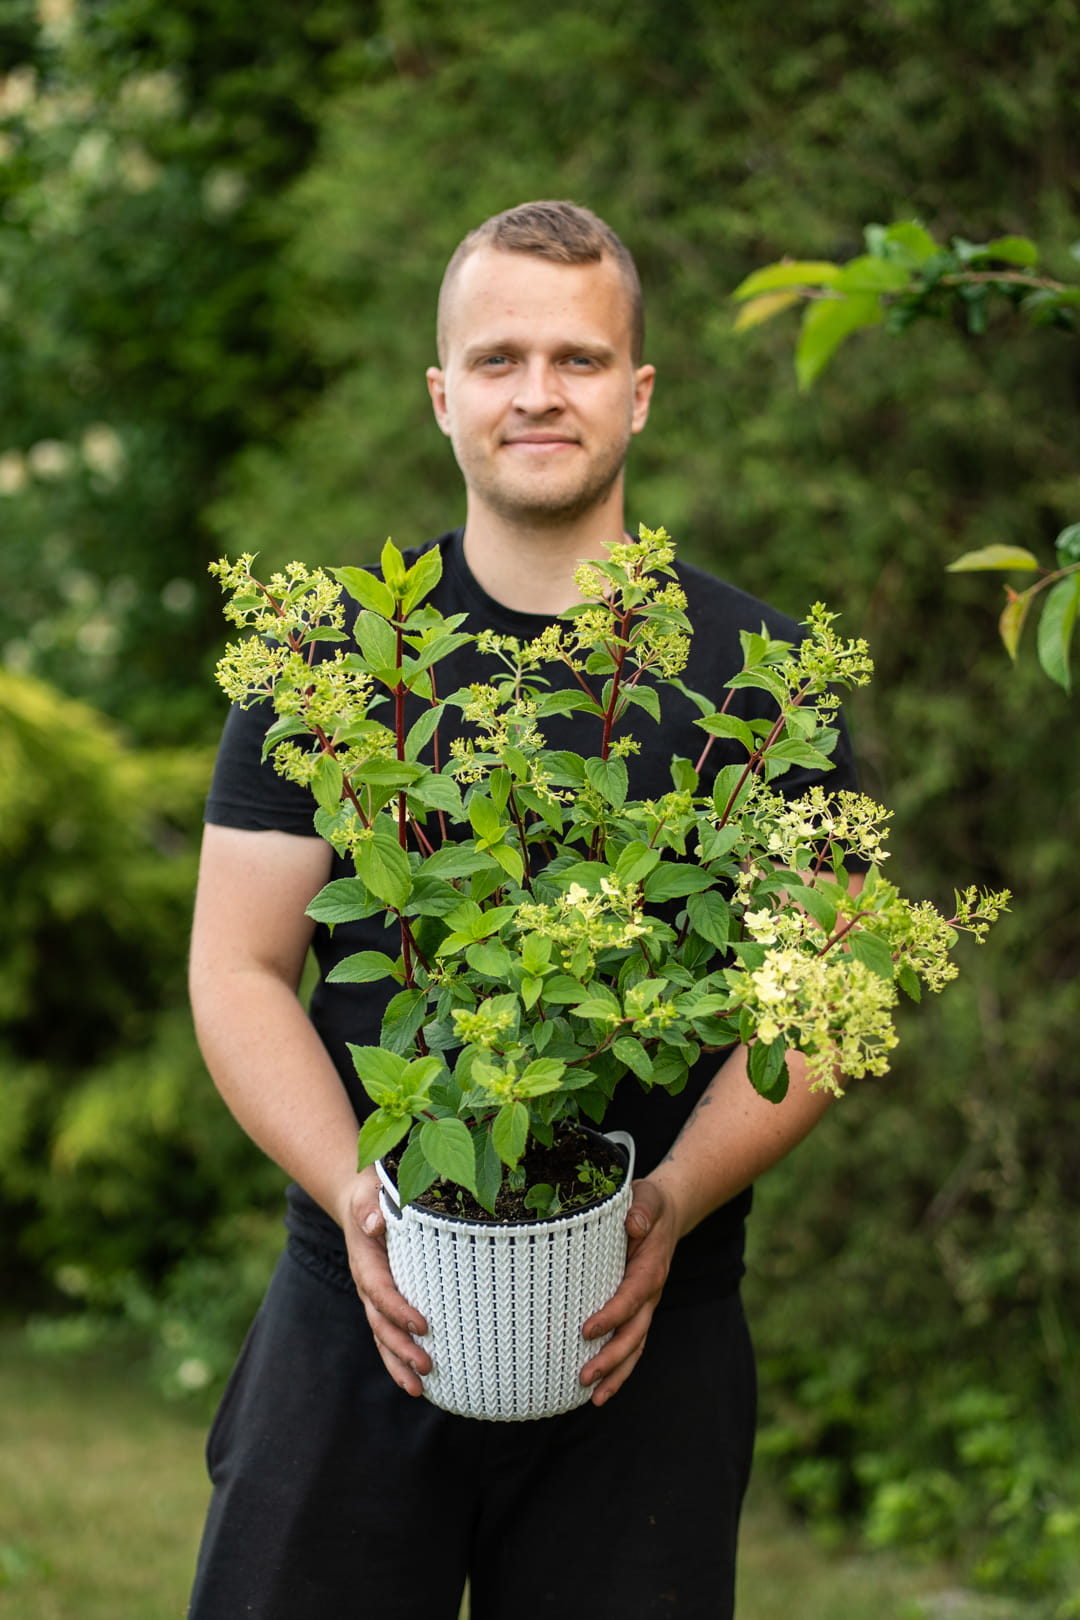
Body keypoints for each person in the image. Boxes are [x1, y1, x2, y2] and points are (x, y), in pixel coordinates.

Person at [187, 200, 864, 1620]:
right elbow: (240, 968)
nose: (538, 393)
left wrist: (675, 1198)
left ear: (639, 392)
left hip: (647, 1328)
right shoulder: (333, 663)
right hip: (364, 1304)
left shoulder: (765, 680)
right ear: (444, 396)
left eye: (578, 358)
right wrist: (354, 1194)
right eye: (499, 359)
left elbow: (825, 996)